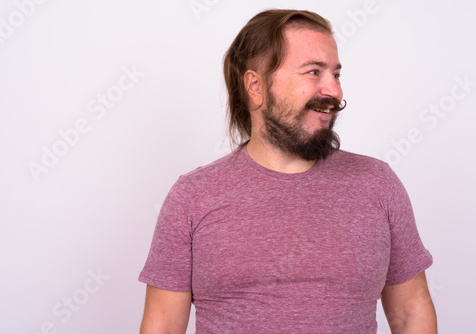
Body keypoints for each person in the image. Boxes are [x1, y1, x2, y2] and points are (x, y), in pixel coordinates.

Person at [138, 9, 437, 333]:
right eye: (313, 72)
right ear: (255, 86)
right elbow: (163, 326)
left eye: (335, 75)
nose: (334, 91)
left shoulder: (378, 185)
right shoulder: (192, 197)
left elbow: (411, 312)